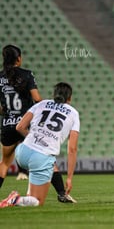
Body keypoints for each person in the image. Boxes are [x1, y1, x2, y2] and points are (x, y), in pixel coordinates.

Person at [0, 44, 76, 203]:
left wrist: (7, 112)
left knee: (5, 163)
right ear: (18, 59)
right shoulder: (27, 75)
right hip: (26, 123)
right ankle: (62, 193)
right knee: (45, 154)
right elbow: (37, 99)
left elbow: (0, 107)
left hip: (7, 123)